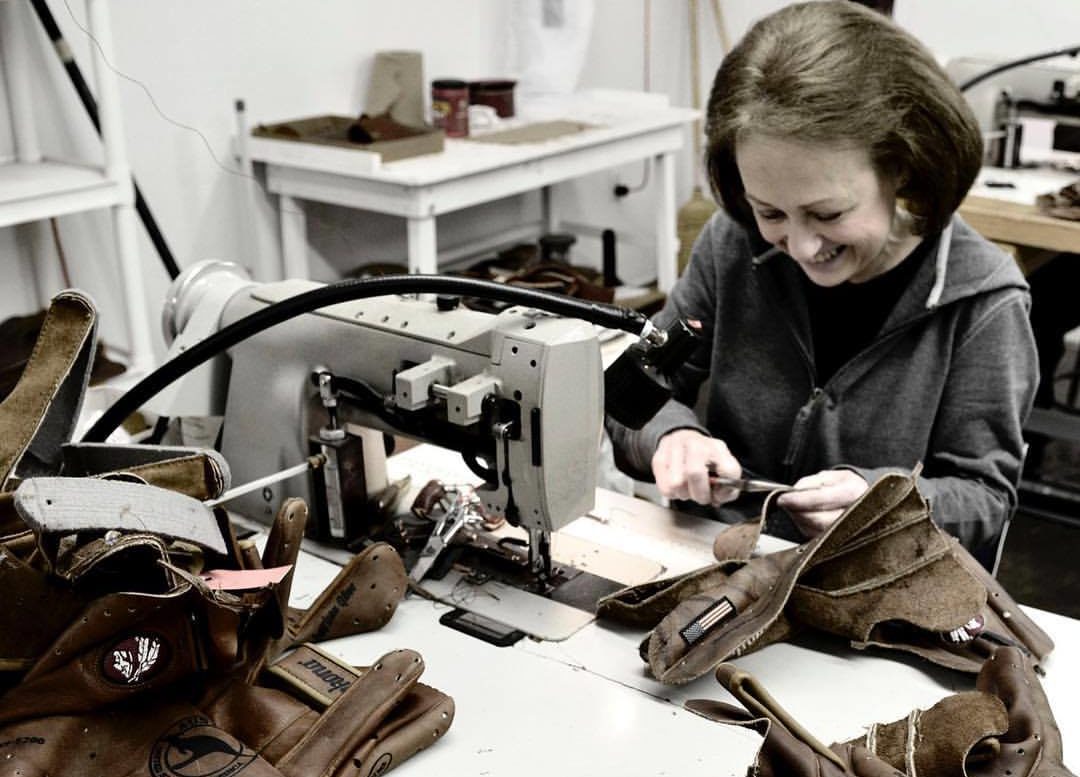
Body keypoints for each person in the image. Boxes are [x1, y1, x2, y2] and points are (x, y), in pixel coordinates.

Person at [607, 0, 1038, 570]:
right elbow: (630, 393)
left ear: (902, 167)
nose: (802, 247)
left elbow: (984, 497)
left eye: (829, 214)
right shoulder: (734, 245)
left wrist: (881, 505)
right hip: (725, 568)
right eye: (771, 212)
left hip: (867, 592)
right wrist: (669, 438)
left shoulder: (981, 303)